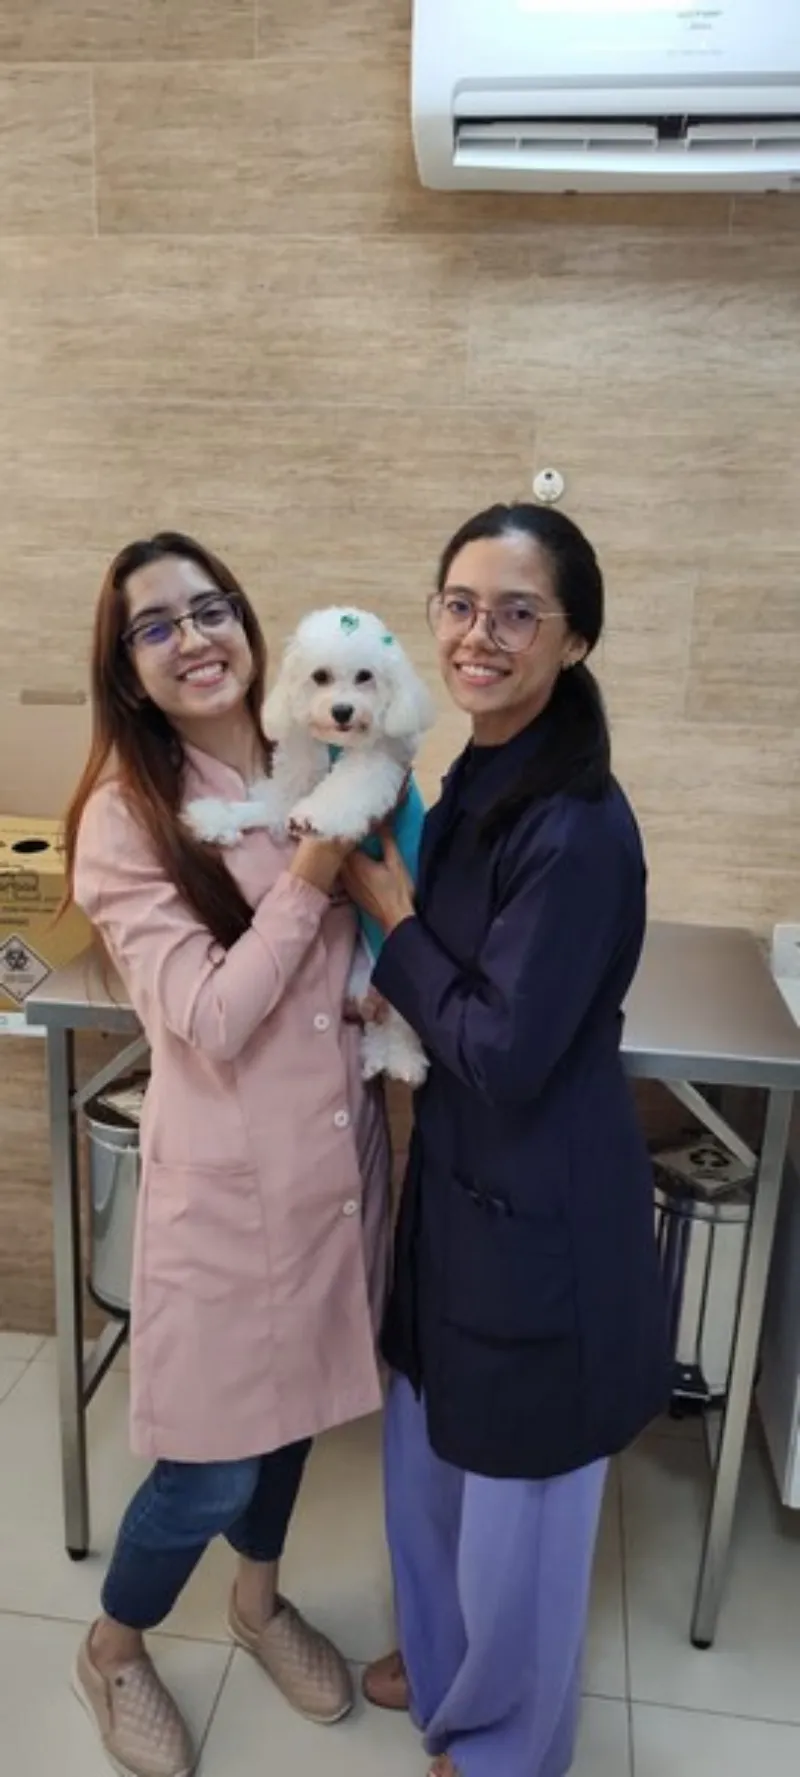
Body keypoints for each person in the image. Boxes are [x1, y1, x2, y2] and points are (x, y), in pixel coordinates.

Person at [342, 503, 670, 1777]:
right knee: (430, 1461)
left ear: (572, 638)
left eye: (517, 612)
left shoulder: (575, 825)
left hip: (540, 1210)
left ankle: (500, 1744)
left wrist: (389, 916)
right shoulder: (478, 768)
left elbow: (500, 1046)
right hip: (460, 1189)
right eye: (460, 604)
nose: (480, 634)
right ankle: (442, 1664)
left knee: (519, 1509)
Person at [63, 532, 391, 1777]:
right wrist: (314, 865)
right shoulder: (124, 820)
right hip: (229, 1194)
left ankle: (256, 1603)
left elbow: (355, 952)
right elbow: (206, 1015)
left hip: (336, 1167)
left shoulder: (318, 752)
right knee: (206, 1472)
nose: (192, 638)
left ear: (249, 626)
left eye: (209, 609)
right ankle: (112, 1646)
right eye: (155, 627)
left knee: (298, 1419)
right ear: (128, 670)